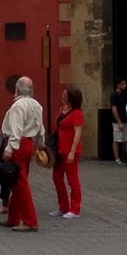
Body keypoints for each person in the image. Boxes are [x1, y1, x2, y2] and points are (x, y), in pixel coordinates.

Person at [0, 77, 45, 231]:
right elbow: (40, 127)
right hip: (29, 144)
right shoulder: (36, 105)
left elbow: (16, 129)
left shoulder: (18, 106)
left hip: (18, 144)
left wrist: (9, 148)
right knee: (17, 182)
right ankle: (13, 217)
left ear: (17, 89)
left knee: (20, 183)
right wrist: (40, 143)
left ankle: (30, 221)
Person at [51, 85, 85, 218]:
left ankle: (75, 209)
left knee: (72, 179)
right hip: (59, 149)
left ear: (72, 98)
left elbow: (78, 133)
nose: (63, 96)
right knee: (57, 177)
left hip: (70, 150)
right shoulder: (62, 109)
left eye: (65, 95)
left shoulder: (77, 113)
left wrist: (72, 151)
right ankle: (63, 206)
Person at [0, 75, 20, 215]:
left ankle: (10, 205)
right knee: (5, 176)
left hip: (13, 146)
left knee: (10, 175)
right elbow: (4, 128)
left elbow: (12, 130)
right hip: (6, 145)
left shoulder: (18, 107)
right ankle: (6, 203)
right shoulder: (13, 108)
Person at [110, 77, 127, 165]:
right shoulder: (114, 95)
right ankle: (117, 158)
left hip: (124, 120)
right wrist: (119, 121)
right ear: (118, 85)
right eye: (123, 84)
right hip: (117, 121)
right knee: (117, 139)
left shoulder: (123, 95)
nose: (125, 86)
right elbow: (114, 109)